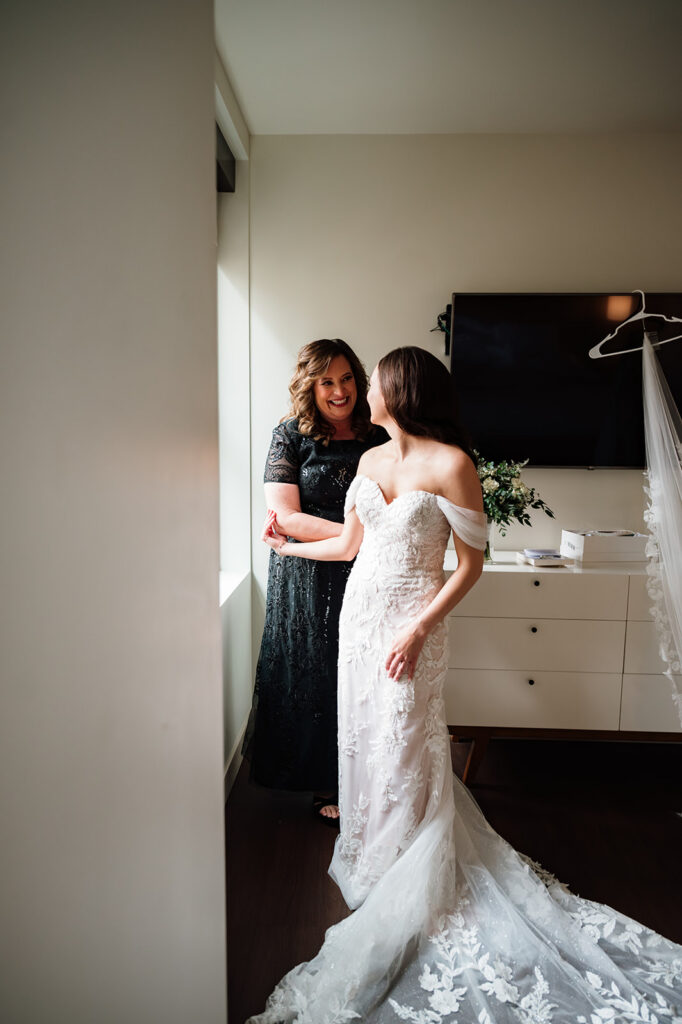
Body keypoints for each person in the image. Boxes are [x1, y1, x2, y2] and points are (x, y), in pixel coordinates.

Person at [250, 347, 682, 1022]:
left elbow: (471, 564)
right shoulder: (369, 461)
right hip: (360, 625)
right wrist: (289, 547)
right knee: (363, 739)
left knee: (403, 740)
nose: (363, 394)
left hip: (412, 624)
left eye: (375, 384)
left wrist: (420, 629)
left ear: (401, 390)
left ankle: (409, 870)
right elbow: (350, 546)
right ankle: (369, 852)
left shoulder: (453, 465)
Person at [242, 338, 387, 823]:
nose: (339, 390)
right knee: (312, 669)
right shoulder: (289, 435)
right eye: (327, 381)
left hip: (367, 571)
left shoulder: (379, 436)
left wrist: (361, 544)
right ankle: (321, 779)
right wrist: (359, 536)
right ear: (310, 385)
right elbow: (284, 515)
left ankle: (364, 778)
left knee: (360, 670)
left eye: (347, 378)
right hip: (305, 568)